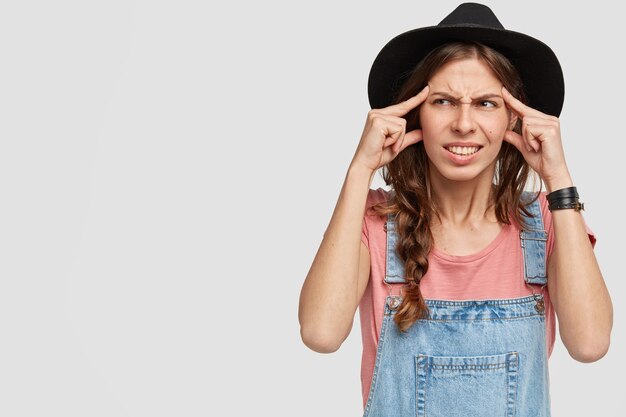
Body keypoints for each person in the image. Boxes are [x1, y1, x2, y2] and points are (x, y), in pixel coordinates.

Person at [298, 3, 613, 416]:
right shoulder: (374, 221)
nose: (464, 124)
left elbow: (590, 344)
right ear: (415, 115)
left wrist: (559, 179)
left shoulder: (546, 219)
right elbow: (321, 333)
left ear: (513, 120)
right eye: (444, 101)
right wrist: (360, 168)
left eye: (486, 103)